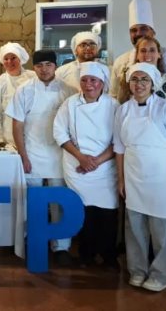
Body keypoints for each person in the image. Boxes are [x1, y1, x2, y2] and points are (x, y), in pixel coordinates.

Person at [119, 36, 166, 265]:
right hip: (135, 166)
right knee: (136, 217)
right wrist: (121, 178)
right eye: (143, 50)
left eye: (152, 50)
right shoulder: (124, 102)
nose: (139, 84)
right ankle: (138, 265)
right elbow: (119, 141)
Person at [114, 63, 166, 292]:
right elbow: (119, 148)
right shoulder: (123, 110)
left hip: (161, 174)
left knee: (162, 227)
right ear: (129, 83)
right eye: (135, 79)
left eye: (144, 79)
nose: (139, 84)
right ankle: (137, 270)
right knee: (134, 227)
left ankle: (161, 274)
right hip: (133, 172)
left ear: (153, 83)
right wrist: (122, 179)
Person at [6, 50, 76, 266]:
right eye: (39, 66)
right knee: (30, 200)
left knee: (59, 201)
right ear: (34, 68)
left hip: (59, 154)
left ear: (55, 66)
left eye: (48, 65)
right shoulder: (24, 90)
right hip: (32, 152)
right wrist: (23, 155)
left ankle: (61, 246)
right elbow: (17, 124)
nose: (44, 69)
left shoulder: (69, 91)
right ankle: (29, 240)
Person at [53, 61, 119, 270]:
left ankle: (108, 256)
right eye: (84, 80)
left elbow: (120, 139)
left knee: (108, 213)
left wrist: (96, 161)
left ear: (102, 83)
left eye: (93, 80)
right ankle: (86, 255)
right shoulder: (70, 104)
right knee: (85, 213)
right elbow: (59, 133)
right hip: (76, 165)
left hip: (106, 166)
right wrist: (81, 158)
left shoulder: (114, 105)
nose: (88, 84)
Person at [110, 0, 166, 149]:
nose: (138, 33)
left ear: (153, 32)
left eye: (143, 28)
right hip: (133, 136)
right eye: (133, 30)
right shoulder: (120, 62)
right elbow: (114, 100)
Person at [0, 42, 36, 144]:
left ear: (20, 59)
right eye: (6, 59)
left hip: (34, 139)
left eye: (13, 57)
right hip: (10, 139)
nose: (9, 61)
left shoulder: (33, 78)